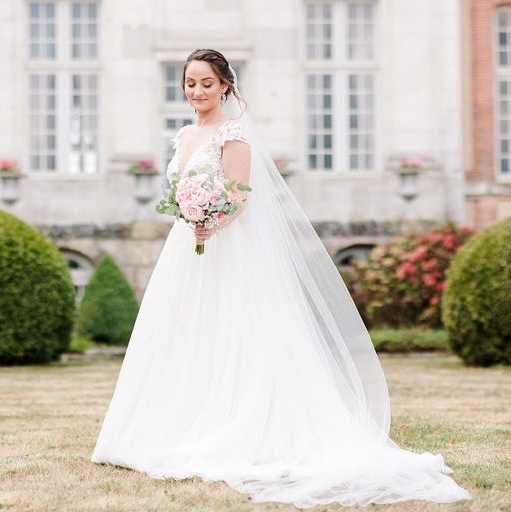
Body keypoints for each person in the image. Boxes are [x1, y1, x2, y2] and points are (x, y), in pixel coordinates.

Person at [91, 48, 472, 508]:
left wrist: (212, 219)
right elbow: (182, 188)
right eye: (190, 84)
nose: (197, 92)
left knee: (238, 332)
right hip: (187, 248)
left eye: (207, 83)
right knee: (186, 334)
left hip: (228, 245)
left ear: (225, 85)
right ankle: (178, 421)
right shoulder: (185, 134)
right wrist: (191, 215)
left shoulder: (234, 136)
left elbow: (239, 196)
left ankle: (237, 422)